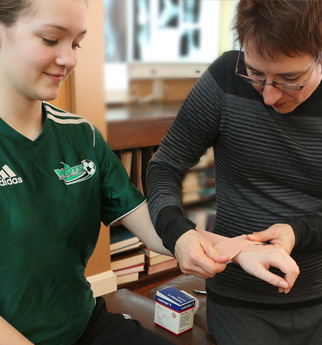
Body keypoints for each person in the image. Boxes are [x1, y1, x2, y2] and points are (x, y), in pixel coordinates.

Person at [0, 0, 178, 344]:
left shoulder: (82, 136)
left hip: (83, 324)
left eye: (77, 42)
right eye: (51, 40)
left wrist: (229, 247)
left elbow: (154, 228)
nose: (69, 59)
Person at [146, 0, 322, 344]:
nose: (269, 96)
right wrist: (177, 233)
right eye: (256, 74)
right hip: (240, 301)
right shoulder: (225, 77)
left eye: (289, 79)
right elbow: (164, 166)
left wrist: (296, 232)